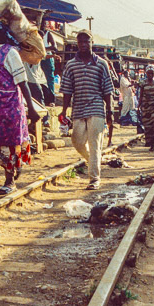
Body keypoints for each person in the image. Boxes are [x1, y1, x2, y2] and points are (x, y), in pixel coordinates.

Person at [0, 21, 40, 195]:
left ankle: (9, 180)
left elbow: (22, 82)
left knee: (9, 143)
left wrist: (32, 108)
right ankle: (11, 166)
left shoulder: (11, 52)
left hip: (8, 104)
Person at [60, 29, 114, 190]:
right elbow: (67, 89)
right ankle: (92, 160)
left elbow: (107, 89)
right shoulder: (71, 65)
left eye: (86, 41)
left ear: (92, 43)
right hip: (78, 108)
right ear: (77, 44)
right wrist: (64, 111)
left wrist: (110, 110)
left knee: (95, 143)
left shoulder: (101, 64)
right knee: (77, 141)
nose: (83, 44)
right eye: (80, 41)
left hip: (97, 107)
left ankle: (94, 179)